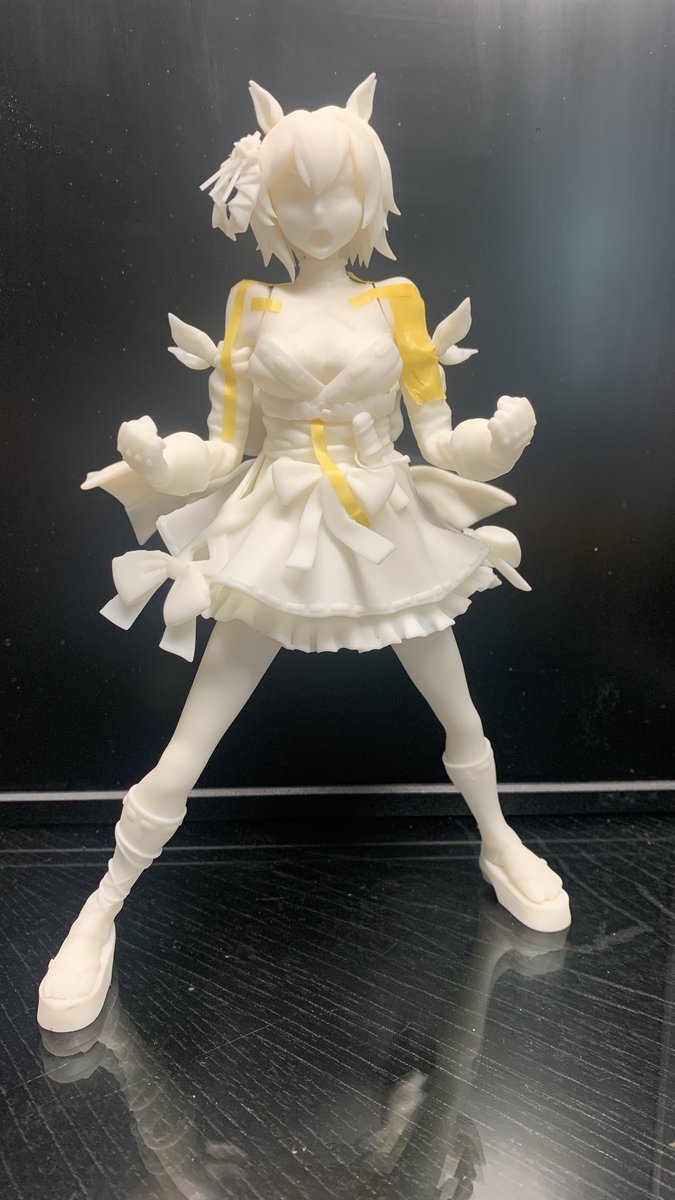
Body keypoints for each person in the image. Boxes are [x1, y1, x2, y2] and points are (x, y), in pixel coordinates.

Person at [38, 74, 569, 1034]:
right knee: (193, 735)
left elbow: (438, 438)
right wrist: (158, 459)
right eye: (299, 194)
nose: (321, 215)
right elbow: (222, 447)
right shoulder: (251, 306)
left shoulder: (396, 302)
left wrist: (495, 444)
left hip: (387, 521)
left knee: (457, 705)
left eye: (340, 194)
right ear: (268, 201)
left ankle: (499, 839)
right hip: (277, 529)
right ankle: (102, 905)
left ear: (370, 196)